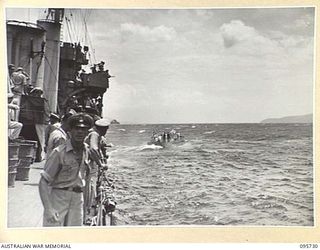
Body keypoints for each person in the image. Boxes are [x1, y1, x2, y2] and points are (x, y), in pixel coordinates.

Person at [39, 113, 93, 227]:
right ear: (70, 131)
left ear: (87, 133)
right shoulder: (59, 152)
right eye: (76, 128)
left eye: (83, 129)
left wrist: (86, 207)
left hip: (78, 199)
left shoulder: (86, 151)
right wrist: (48, 209)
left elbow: (86, 179)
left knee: (74, 236)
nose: (80, 132)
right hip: (59, 197)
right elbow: (43, 182)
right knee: (52, 234)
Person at [84, 118, 111, 221]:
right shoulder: (95, 135)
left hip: (89, 166)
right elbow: (93, 149)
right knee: (89, 189)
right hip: (90, 166)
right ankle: (87, 216)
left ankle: (87, 212)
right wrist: (100, 164)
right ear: (103, 129)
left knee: (90, 189)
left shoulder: (93, 133)